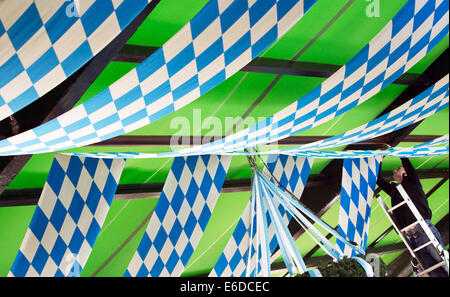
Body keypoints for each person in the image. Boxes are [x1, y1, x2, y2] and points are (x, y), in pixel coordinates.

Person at [377, 158, 448, 277]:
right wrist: (379, 160)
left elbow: (407, 163)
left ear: (406, 173)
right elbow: (378, 180)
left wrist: (398, 153)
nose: (395, 170)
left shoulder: (413, 182)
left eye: (398, 169)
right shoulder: (395, 190)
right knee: (436, 270)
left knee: (441, 266)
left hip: (422, 230)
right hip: (415, 235)